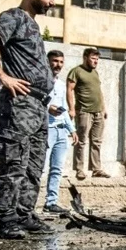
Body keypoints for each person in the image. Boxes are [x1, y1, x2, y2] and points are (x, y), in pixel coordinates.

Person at [0, 0, 56, 239]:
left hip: (39, 105)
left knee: (33, 165)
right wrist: (2, 76)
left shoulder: (31, 23)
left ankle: (24, 213)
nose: (52, 2)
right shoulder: (15, 16)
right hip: (20, 104)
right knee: (14, 163)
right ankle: (7, 218)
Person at [67, 47, 109, 180]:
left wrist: (104, 108)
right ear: (85, 58)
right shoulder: (76, 71)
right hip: (84, 111)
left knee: (96, 141)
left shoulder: (95, 73)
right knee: (81, 141)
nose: (96, 61)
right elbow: (69, 89)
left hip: (98, 112)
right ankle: (79, 169)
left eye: (97, 59)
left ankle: (96, 169)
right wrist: (72, 109)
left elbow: (99, 91)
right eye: (93, 58)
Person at [42, 50, 75, 214]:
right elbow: (36, 102)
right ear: (48, 61)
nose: (58, 65)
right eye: (55, 61)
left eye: (61, 62)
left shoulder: (61, 85)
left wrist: (72, 129)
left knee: (57, 169)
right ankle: (28, 203)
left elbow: (65, 109)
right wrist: (49, 108)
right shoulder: (41, 82)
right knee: (40, 168)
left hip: (61, 130)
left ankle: (51, 202)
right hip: (47, 129)